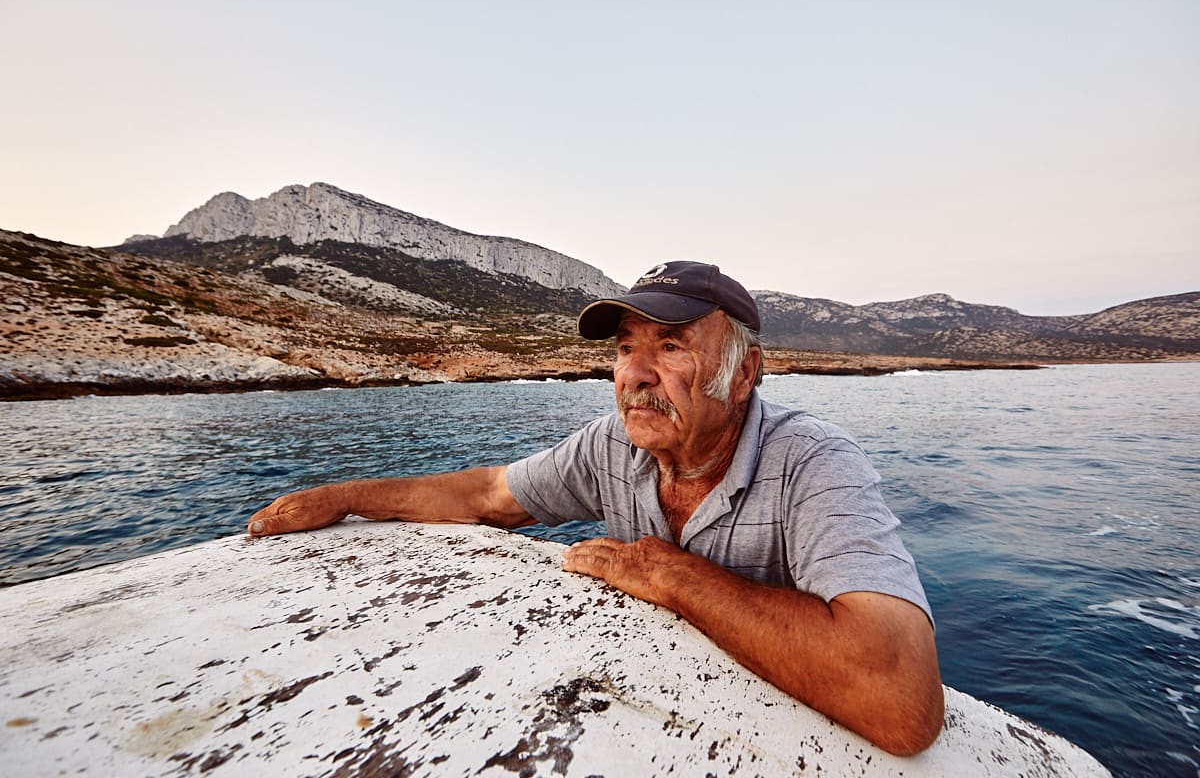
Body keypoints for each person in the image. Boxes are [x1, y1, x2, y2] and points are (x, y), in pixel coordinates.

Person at [247, 261, 944, 756]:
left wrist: (674, 576)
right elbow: (489, 495)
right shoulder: (614, 443)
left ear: (744, 375)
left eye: (670, 347)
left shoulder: (816, 461)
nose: (636, 375)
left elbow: (902, 699)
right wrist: (344, 497)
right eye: (625, 349)